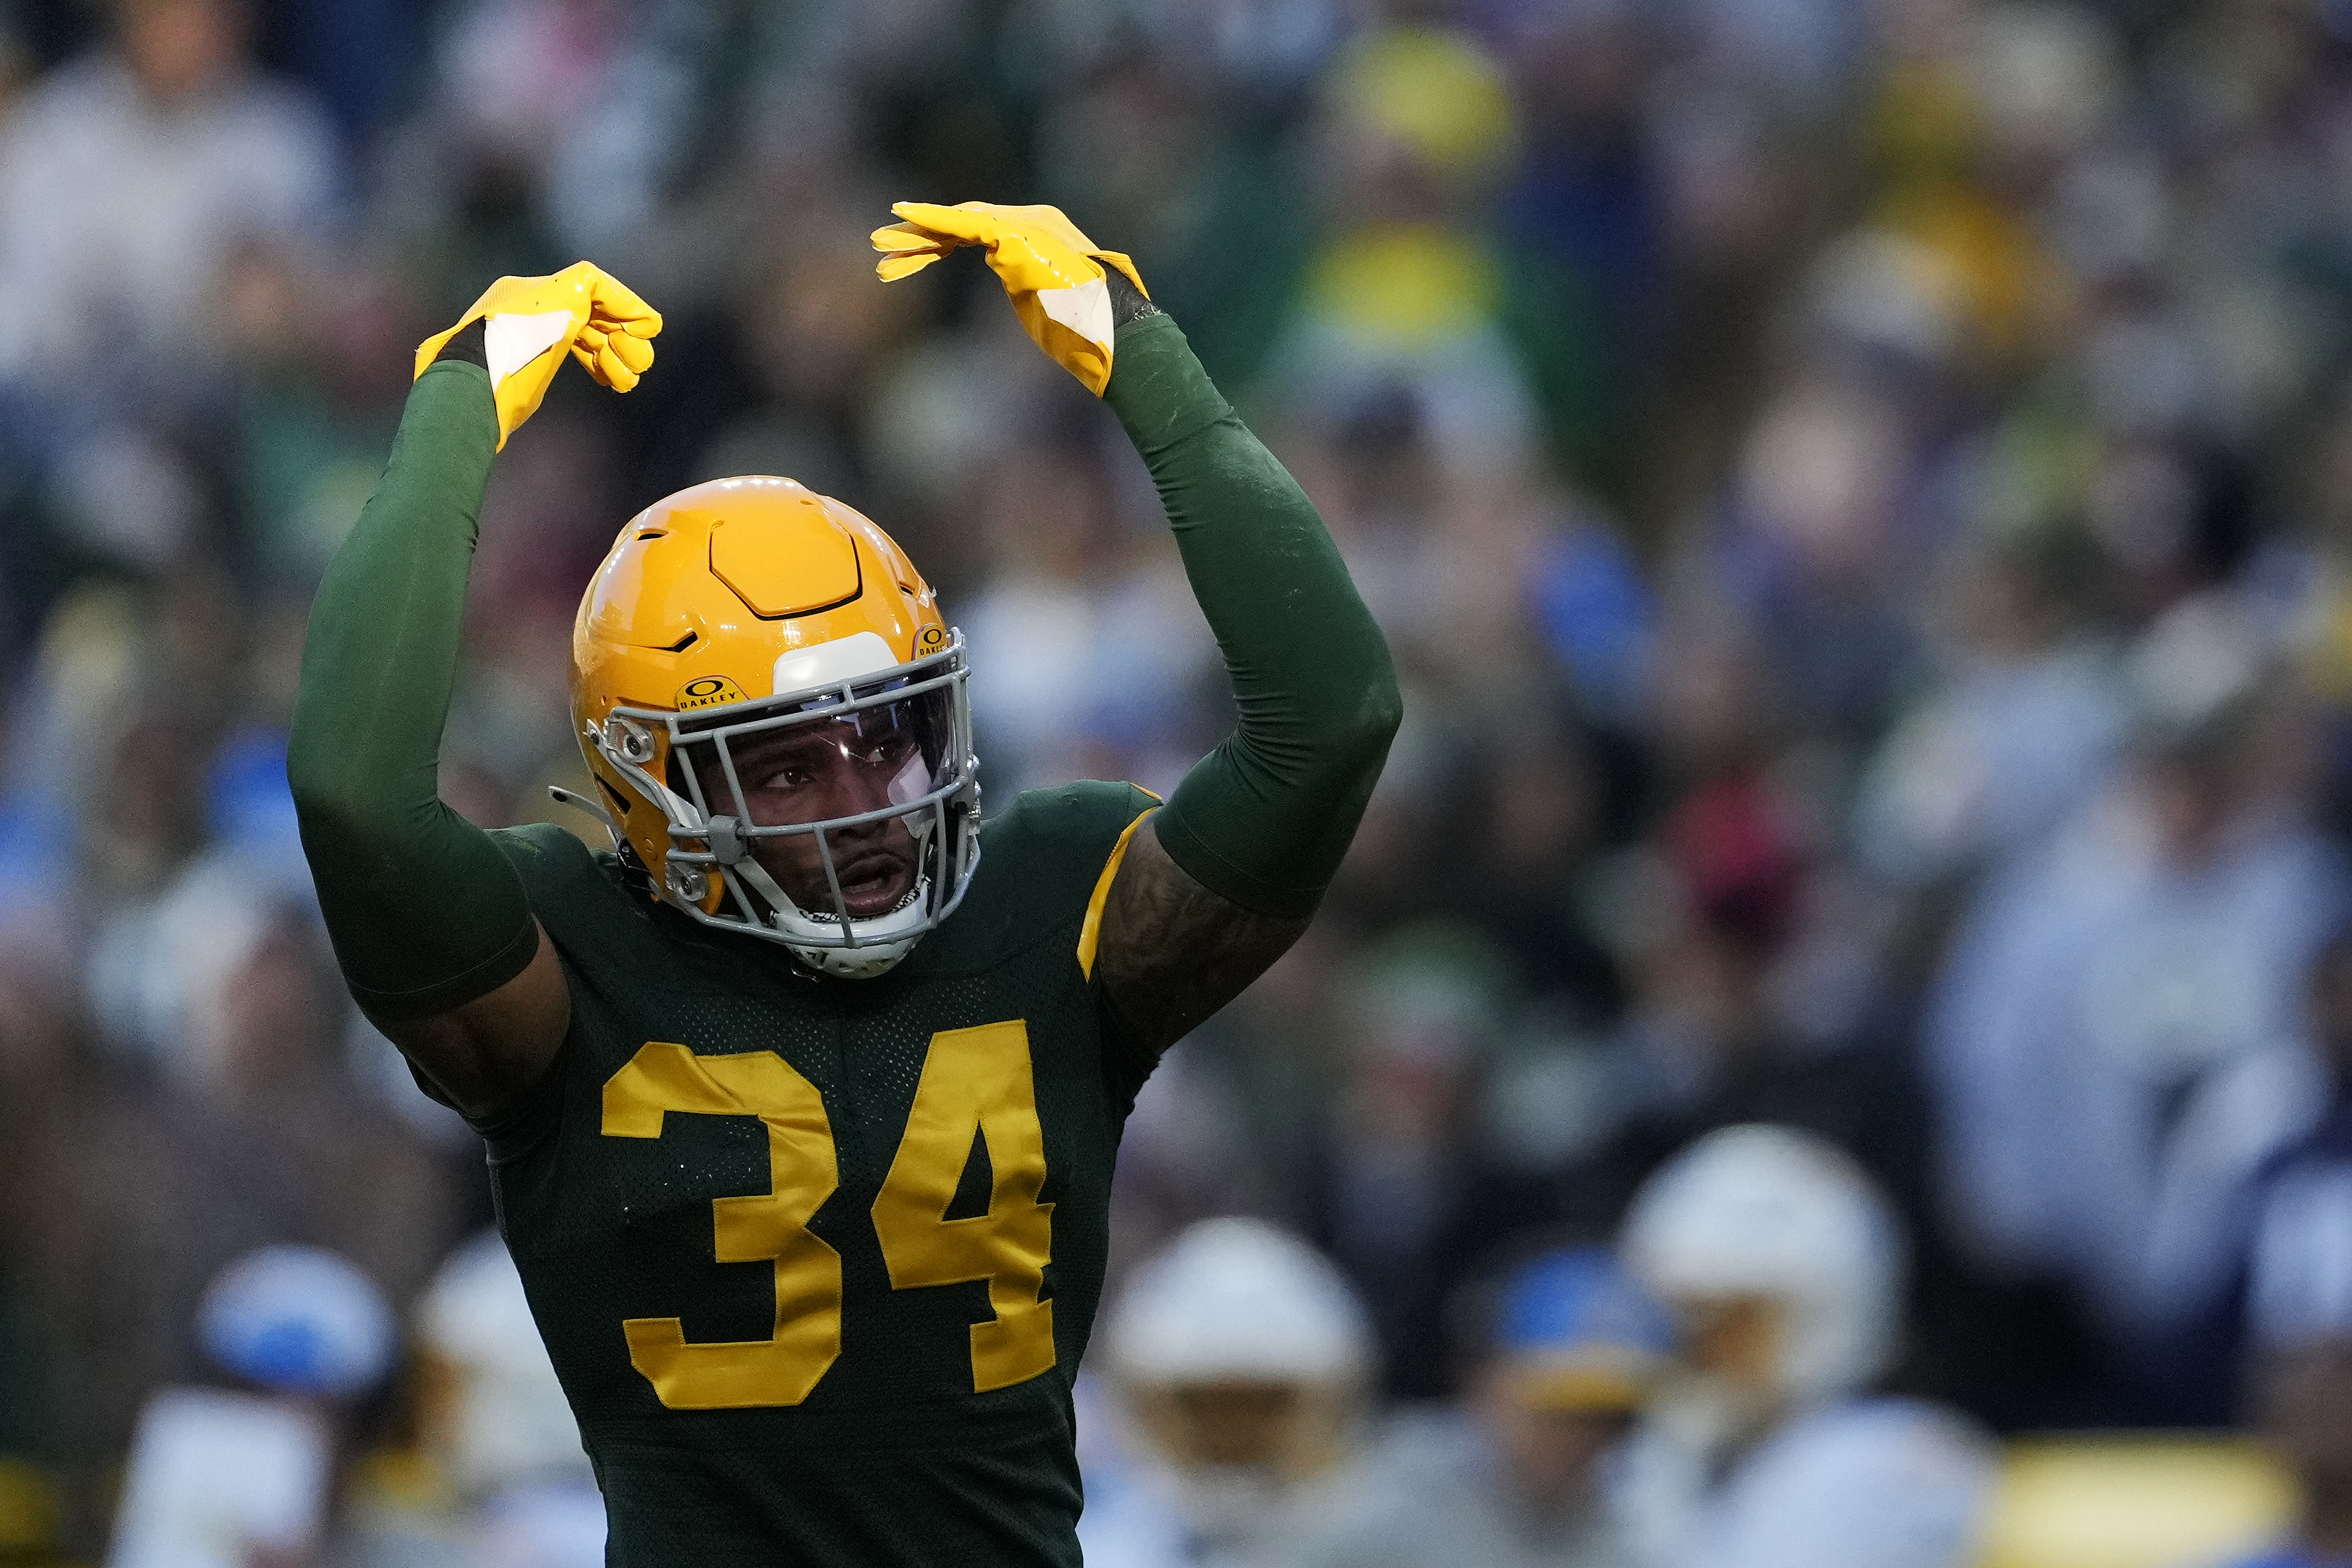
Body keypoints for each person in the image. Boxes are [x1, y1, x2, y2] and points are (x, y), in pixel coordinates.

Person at [285, 204, 1400, 1567]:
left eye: (889, 733)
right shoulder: (566, 961)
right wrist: (461, 399)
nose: (869, 797)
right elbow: (354, 792)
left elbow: (1330, 719)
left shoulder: (1057, 899)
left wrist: (1133, 346)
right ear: (653, 788)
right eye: (788, 765)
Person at [1616, 1124, 1997, 1568]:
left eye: (1733, 1324)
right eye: (1679, 1320)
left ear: (1829, 1314)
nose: (1700, 1352)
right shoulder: (1660, 1467)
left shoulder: (1885, 1460)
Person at [1319, 1245, 1674, 1568]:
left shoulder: (1637, 1524)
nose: (1582, 1440)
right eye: (1559, 1411)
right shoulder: (1377, 1499)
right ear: (1485, 1383)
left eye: (1610, 1419)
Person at [1082, 1217, 1377, 1568]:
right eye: (1207, 1406)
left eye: (1265, 1405)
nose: (1234, 1432)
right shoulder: (1090, 1545)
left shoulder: (1396, 1538)